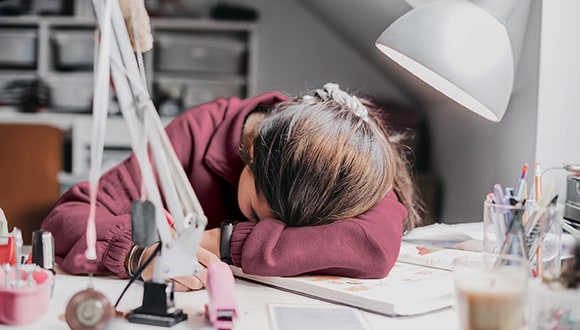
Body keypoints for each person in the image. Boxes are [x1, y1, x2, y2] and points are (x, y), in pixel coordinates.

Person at [41, 83, 424, 291]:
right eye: (258, 214)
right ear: (253, 151)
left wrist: (222, 242)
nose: (264, 225)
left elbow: (374, 246)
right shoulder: (196, 135)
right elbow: (67, 217)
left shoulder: (341, 167)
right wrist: (135, 252)